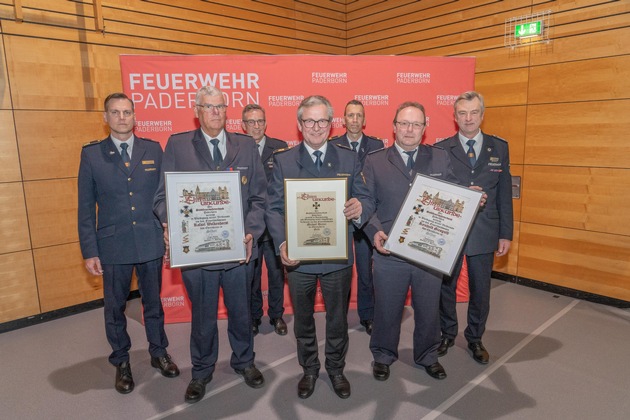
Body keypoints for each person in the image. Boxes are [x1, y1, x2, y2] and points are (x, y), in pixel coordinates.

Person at [153, 86, 267, 404]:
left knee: (241, 312)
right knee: (202, 316)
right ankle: (202, 372)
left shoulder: (245, 145)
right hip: (198, 253)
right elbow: (162, 197)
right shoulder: (177, 145)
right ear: (197, 110)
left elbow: (260, 197)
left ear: (226, 110)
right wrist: (171, 222)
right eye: (209, 107)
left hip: (238, 250)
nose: (215, 112)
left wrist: (251, 232)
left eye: (220, 107)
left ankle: (244, 362)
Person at [265, 95, 373, 400]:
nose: (316, 127)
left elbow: (365, 198)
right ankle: (310, 368)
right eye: (309, 121)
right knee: (303, 318)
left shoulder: (349, 159)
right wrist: (282, 243)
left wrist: (359, 207)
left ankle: (336, 369)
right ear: (300, 125)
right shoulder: (284, 160)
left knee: (337, 318)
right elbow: (273, 208)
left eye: (322, 120)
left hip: (337, 257)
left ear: (331, 123)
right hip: (298, 258)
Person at [77, 92, 179, 395]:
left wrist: (169, 230)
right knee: (115, 308)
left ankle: (159, 351)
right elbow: (85, 207)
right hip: (112, 245)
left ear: (135, 116)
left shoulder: (152, 149)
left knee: (153, 304)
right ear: (106, 117)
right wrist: (90, 250)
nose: (123, 117)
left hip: (149, 241)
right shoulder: (92, 154)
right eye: (116, 112)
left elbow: (164, 196)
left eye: (127, 112)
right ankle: (121, 360)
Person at [362, 101, 459, 382]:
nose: (409, 129)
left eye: (416, 124)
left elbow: (454, 197)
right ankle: (382, 354)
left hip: (428, 253)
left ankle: (427, 355)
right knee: (387, 308)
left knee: (428, 308)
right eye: (404, 123)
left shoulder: (440, 158)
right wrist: (374, 231)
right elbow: (367, 203)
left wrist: (471, 199)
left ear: (425, 129)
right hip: (389, 250)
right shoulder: (375, 160)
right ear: (394, 127)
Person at [437, 91, 513, 364]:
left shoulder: (499, 147)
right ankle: (446, 333)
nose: (468, 118)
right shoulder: (442, 148)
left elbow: (504, 192)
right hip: (450, 231)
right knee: (446, 287)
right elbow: (437, 191)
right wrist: (461, 193)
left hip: (485, 230)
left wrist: (506, 233)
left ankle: (475, 337)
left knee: (481, 290)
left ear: (482, 114)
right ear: (455, 117)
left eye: (473, 112)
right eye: (462, 113)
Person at [328, 100, 383, 336]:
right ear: (343, 119)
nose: (354, 120)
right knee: (341, 271)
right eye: (350, 115)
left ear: (364, 120)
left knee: (365, 270)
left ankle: (367, 315)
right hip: (339, 218)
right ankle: (339, 316)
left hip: (367, 217)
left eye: (359, 115)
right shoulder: (333, 145)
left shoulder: (377, 144)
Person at [241, 104, 289, 337]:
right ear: (243, 125)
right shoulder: (236, 148)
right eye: (251, 122)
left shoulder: (279, 148)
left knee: (276, 273)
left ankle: (277, 314)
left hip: (274, 223)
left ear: (266, 123)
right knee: (251, 274)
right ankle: (254, 315)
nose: (256, 126)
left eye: (260, 121)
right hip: (249, 223)